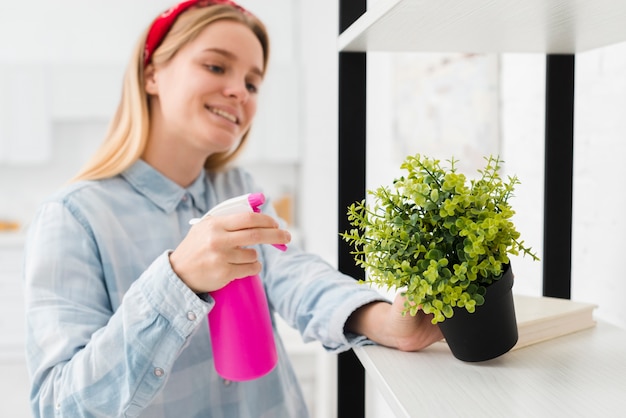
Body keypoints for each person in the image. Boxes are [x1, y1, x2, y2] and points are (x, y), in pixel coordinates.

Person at [23, 1, 443, 416]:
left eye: (253, 83)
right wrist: (177, 280)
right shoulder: (73, 218)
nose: (240, 91)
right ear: (152, 74)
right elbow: (59, 405)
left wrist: (380, 320)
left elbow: (291, 275)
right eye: (216, 66)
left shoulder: (237, 188)